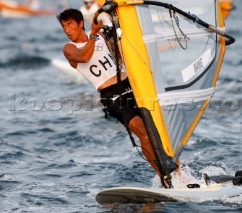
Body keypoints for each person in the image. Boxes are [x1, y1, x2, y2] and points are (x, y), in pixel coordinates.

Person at [57, 9, 182, 187]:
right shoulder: (69, 48)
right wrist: (93, 34)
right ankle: (164, 177)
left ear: (80, 24)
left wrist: (113, 33)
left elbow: (120, 58)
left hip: (129, 87)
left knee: (155, 129)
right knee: (142, 132)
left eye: (69, 25)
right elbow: (84, 57)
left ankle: (178, 173)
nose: (66, 30)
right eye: (63, 26)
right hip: (112, 96)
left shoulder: (100, 36)